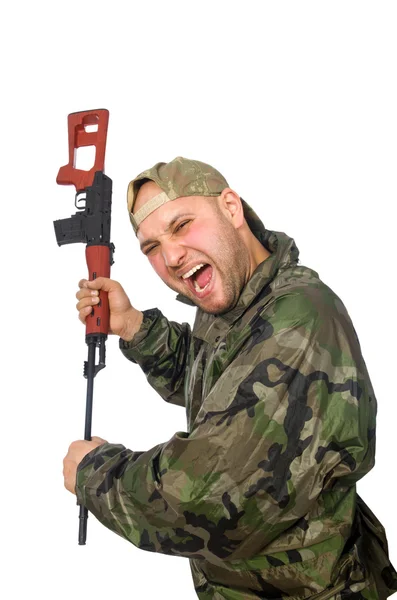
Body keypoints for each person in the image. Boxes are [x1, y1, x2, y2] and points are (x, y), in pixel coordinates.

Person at [63, 157, 397, 600]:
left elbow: (206, 497)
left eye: (181, 225)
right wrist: (134, 326)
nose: (171, 256)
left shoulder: (298, 322)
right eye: (151, 248)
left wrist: (93, 474)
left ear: (231, 208)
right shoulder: (237, 303)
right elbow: (217, 383)